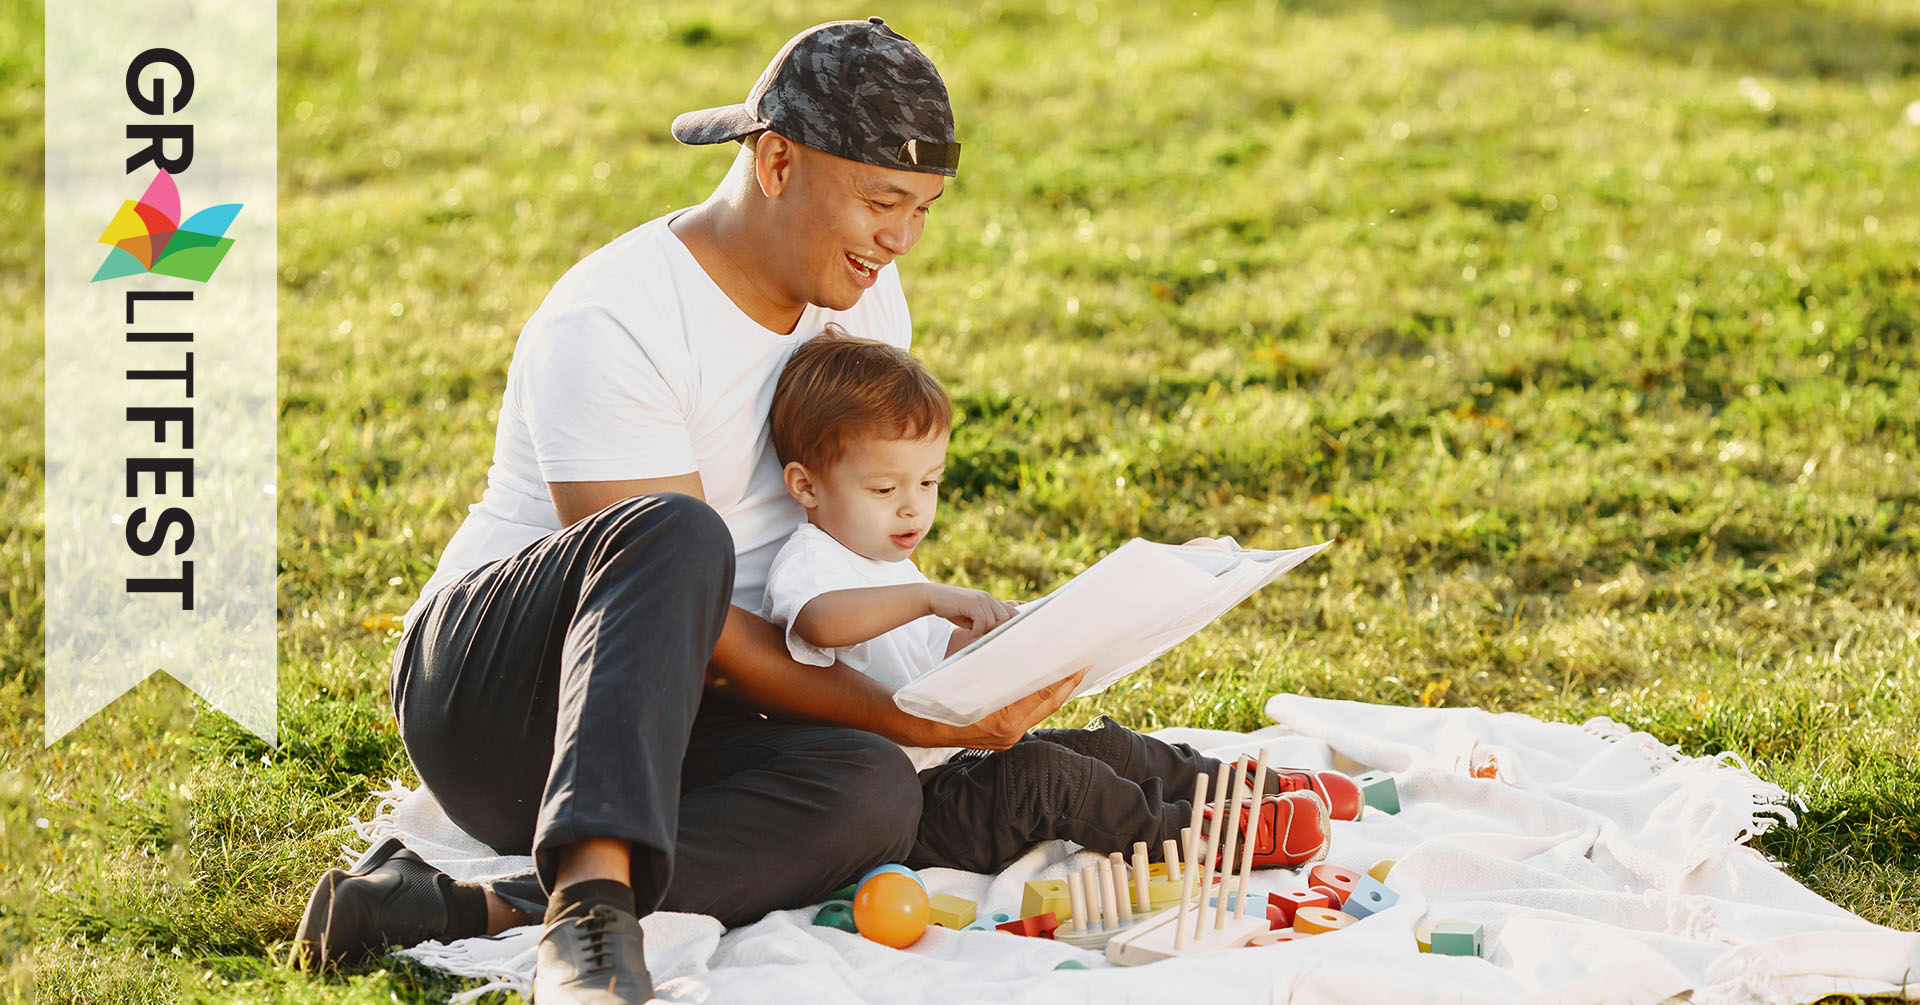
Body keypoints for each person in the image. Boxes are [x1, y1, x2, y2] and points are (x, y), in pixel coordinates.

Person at [291, 19, 1084, 1004]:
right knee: (677, 534)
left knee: (871, 791)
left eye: (922, 208)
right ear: (778, 160)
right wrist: (897, 714)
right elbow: (679, 609)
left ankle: (462, 905)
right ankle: (587, 918)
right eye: (882, 201)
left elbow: (840, 549)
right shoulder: (616, 319)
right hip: (499, 699)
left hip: (687, 705)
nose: (901, 236)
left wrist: (937, 689)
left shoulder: (865, 301)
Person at [759, 330, 1359, 875]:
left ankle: (1251, 789)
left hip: (950, 763)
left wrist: (1054, 622)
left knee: (1104, 745)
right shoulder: (811, 560)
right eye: (886, 489)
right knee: (1046, 781)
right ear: (806, 485)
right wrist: (927, 595)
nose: (913, 507)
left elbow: (938, 659)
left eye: (930, 482)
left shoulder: (884, 559)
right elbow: (822, 621)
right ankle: (1201, 836)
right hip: (911, 814)